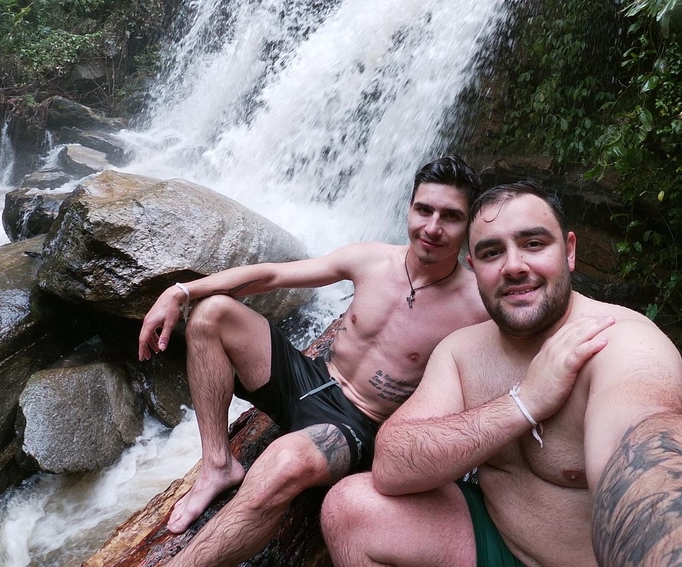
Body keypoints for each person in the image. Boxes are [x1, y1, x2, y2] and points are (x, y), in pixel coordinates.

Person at [321, 181, 682, 567]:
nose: (514, 266)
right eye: (492, 252)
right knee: (350, 509)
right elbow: (392, 466)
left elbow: (651, 450)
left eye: (533, 243)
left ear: (569, 251)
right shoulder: (462, 351)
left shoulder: (620, 342)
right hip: (495, 543)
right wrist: (524, 402)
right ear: (473, 268)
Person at [136, 155, 492, 567]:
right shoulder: (371, 259)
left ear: (468, 226)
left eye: (450, 216)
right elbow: (273, 275)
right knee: (212, 312)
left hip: (356, 424)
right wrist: (181, 291)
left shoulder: (478, 305)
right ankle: (218, 464)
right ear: (409, 208)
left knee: (281, 465)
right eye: (424, 210)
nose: (432, 227)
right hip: (312, 377)